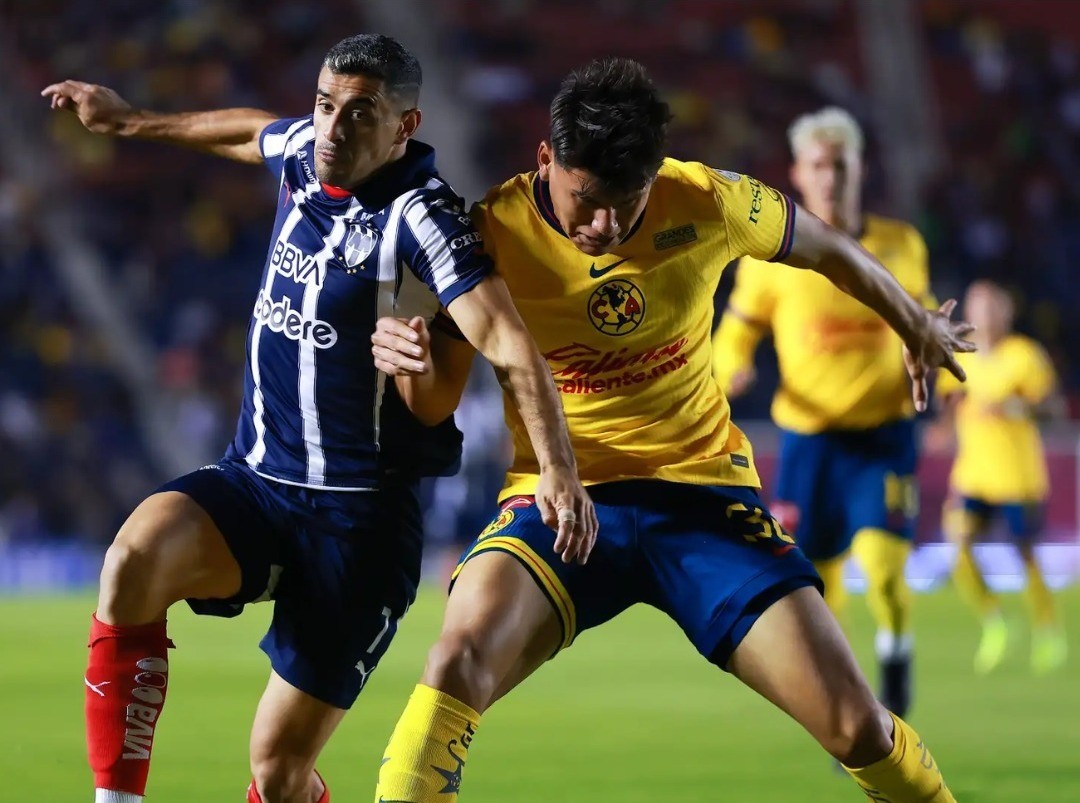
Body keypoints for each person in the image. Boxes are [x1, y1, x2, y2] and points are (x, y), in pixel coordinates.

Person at [371, 58, 972, 803]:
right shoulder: (490, 231)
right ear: (546, 159)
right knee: (456, 659)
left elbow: (828, 248)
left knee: (857, 728)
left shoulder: (707, 199)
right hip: (558, 506)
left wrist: (912, 321)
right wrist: (408, 353)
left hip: (704, 500)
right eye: (587, 201)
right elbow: (430, 405)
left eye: (627, 203)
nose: (606, 226)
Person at [43, 33, 595, 803]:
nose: (333, 127)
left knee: (277, 770)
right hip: (258, 482)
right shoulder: (307, 150)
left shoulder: (423, 218)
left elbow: (505, 339)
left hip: (358, 527)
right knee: (133, 555)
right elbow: (248, 130)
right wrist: (130, 122)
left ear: (404, 126)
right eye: (326, 105)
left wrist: (559, 468)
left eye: (359, 113)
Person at [712, 107, 935, 718]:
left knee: (884, 570)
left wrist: (929, 344)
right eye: (818, 166)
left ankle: (894, 674)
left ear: (860, 168)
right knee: (820, 583)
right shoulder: (770, 260)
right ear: (798, 175)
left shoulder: (900, 245)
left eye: (841, 164)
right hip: (811, 441)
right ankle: (849, 701)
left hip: (884, 434)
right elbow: (736, 330)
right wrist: (730, 363)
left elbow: (921, 317)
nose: (830, 177)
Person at [934, 280, 1067, 675]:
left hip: (1017, 476)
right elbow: (951, 404)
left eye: (992, 307)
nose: (985, 315)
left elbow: (1053, 408)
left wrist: (1016, 406)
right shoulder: (961, 355)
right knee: (959, 545)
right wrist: (942, 430)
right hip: (973, 474)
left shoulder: (1025, 356)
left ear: (1005, 312)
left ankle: (1048, 629)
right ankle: (995, 623)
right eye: (978, 307)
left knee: (1025, 554)